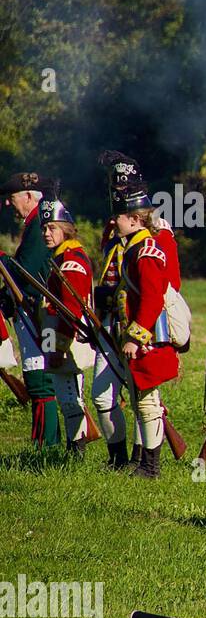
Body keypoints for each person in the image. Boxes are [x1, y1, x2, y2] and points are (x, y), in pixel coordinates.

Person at [112, 186, 181, 479]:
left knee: (149, 402)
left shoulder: (146, 252)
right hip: (142, 336)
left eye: (120, 216)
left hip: (148, 339)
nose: (115, 221)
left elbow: (153, 299)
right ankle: (146, 464)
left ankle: (151, 467)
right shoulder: (136, 248)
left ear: (135, 219)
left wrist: (134, 336)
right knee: (143, 400)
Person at [1, 171, 59, 447]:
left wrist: (4, 260)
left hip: (39, 310)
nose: (8, 204)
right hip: (33, 309)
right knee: (39, 379)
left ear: (27, 196)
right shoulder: (38, 222)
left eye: (11, 198)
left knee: (40, 380)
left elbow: (26, 269)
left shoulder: (39, 224)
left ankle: (48, 446)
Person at [38, 198, 96, 454]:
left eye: (52, 228)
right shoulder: (60, 257)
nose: (46, 233)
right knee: (65, 396)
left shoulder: (71, 260)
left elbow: (71, 309)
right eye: (44, 228)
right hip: (57, 336)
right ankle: (74, 448)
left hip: (67, 339)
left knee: (71, 397)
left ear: (66, 228)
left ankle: (76, 450)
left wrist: (59, 348)